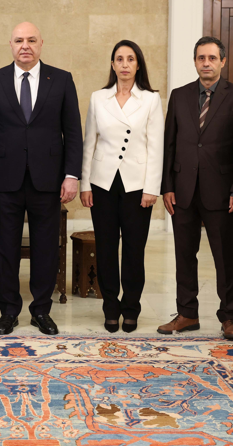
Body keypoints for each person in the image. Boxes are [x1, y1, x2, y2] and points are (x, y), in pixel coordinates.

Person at [0, 22, 83, 336]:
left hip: (48, 181)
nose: (25, 45)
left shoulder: (61, 80)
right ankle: (9, 311)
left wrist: (71, 175)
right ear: (10, 44)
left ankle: (41, 310)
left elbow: (73, 132)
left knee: (45, 249)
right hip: (4, 181)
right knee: (5, 249)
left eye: (31, 40)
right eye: (19, 40)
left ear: (41, 43)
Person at [160, 36, 233, 340]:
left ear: (223, 61)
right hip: (183, 189)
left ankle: (229, 316)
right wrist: (167, 186)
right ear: (195, 61)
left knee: (224, 257)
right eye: (201, 58)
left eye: (212, 58)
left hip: (222, 191)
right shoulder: (179, 95)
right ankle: (187, 313)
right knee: (184, 255)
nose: (206, 63)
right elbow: (169, 143)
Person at [80, 40, 164, 333]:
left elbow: (156, 146)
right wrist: (85, 184)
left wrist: (152, 187)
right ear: (112, 64)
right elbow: (89, 142)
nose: (125, 64)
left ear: (138, 65)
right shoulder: (98, 98)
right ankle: (110, 307)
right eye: (119, 59)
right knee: (105, 248)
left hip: (137, 185)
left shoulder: (151, 99)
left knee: (133, 249)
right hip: (102, 182)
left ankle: (131, 307)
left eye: (130, 59)